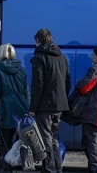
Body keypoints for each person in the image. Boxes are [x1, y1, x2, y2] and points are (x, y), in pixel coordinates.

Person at [29, 29, 71, 173]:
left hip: (45, 105)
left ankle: (49, 168)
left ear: (38, 41)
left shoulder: (39, 58)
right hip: (60, 104)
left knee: (46, 136)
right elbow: (67, 80)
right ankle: (58, 166)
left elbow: (37, 85)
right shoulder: (62, 57)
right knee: (54, 137)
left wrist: (33, 108)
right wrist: (62, 97)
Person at [0, 43, 30, 173]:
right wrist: (28, 109)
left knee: (4, 142)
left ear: (0, 54)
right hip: (21, 109)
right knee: (18, 141)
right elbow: (26, 92)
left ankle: (6, 169)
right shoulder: (20, 69)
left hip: (5, 109)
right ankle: (4, 166)